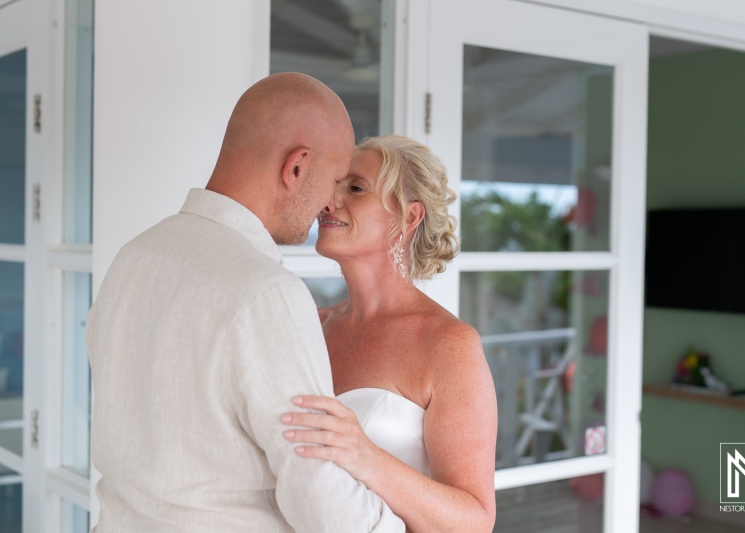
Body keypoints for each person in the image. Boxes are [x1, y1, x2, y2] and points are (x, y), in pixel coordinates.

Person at [87, 73, 405, 532]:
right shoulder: (266, 292)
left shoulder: (135, 256)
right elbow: (319, 492)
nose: (330, 204)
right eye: (335, 180)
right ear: (295, 168)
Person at [281, 135, 498, 532]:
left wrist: (364, 455)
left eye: (355, 187)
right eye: (333, 185)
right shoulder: (309, 324)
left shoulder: (449, 345)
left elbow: (475, 521)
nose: (328, 202)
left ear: (408, 217)